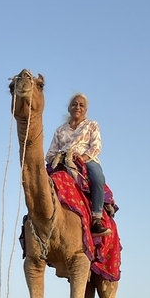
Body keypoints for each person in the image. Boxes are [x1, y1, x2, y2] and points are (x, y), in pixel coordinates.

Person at [45, 93, 111, 236]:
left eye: (81, 105)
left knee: (98, 178)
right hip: (62, 161)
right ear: (69, 108)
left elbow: (96, 147)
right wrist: (62, 157)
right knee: (41, 184)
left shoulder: (91, 125)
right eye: (74, 104)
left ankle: (96, 219)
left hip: (86, 160)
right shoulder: (60, 130)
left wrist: (81, 157)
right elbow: (50, 154)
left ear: (85, 109)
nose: (77, 107)